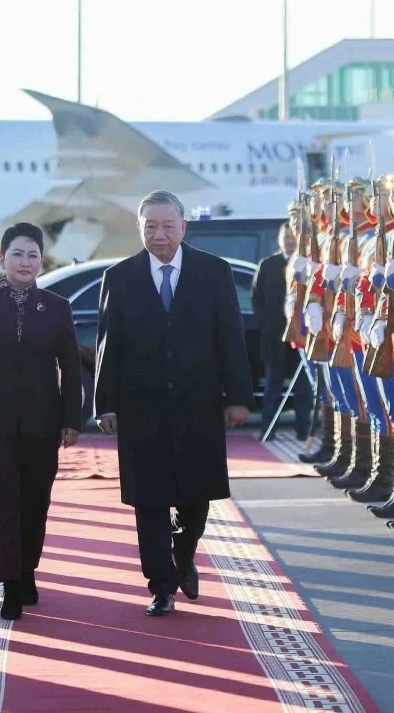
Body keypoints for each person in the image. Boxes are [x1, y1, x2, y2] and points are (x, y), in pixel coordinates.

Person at [94, 190, 253, 617]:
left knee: (196, 498)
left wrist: (239, 398)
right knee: (149, 501)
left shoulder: (214, 273)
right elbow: (108, 345)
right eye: (151, 226)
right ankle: (161, 585)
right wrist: (104, 403)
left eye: (168, 226)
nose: (159, 234)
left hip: (198, 405)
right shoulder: (120, 276)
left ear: (184, 226)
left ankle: (184, 551)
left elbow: (231, 339)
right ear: (139, 228)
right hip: (140, 408)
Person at [0, 222, 82, 621]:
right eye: (17, 254)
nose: (25, 262)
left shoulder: (58, 307)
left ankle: (27, 570)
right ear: (2, 259)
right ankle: (10, 585)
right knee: (4, 503)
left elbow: (72, 368)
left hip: (44, 422)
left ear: (41, 262)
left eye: (32, 255)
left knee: (35, 503)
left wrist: (71, 419)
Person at [251, 221, 311, 440]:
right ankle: (269, 428)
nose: (289, 242)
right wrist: (265, 323)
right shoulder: (268, 265)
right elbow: (256, 298)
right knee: (273, 384)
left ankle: (303, 428)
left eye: (292, 237)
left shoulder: (306, 264)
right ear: (279, 240)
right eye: (285, 237)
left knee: (303, 386)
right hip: (274, 335)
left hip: (302, 335)